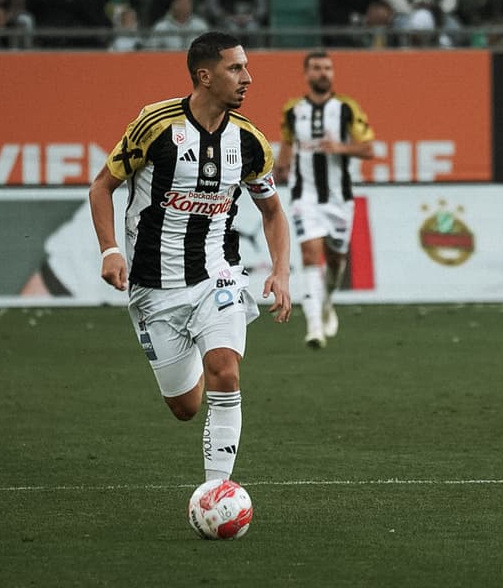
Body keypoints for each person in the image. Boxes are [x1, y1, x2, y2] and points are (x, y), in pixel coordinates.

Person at [87, 31, 292, 485]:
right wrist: (110, 251)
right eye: (236, 68)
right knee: (185, 407)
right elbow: (102, 187)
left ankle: (217, 490)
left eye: (246, 67)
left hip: (218, 275)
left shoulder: (250, 141)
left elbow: (273, 211)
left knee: (226, 372)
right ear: (205, 76)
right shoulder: (155, 124)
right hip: (153, 287)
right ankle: (194, 353)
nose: (248, 78)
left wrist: (281, 271)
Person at [273, 52, 376, 350]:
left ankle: (327, 300)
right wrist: (281, 166)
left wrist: (340, 148)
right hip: (304, 195)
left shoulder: (346, 108)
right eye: (317, 68)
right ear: (306, 74)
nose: (323, 73)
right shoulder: (293, 110)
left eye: (327, 68)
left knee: (335, 260)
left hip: (339, 199)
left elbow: (368, 149)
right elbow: (287, 143)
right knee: (309, 255)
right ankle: (314, 326)